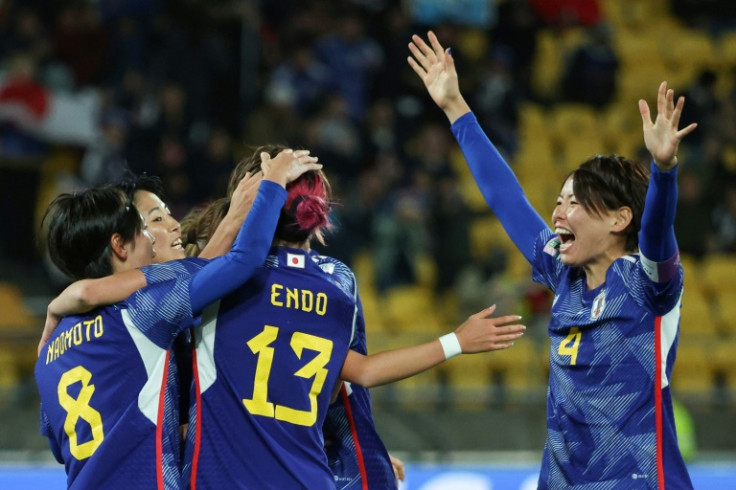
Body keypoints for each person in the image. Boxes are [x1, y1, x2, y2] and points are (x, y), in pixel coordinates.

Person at [46, 158, 527, 489]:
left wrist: (66, 305)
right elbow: (231, 267)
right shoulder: (152, 310)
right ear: (120, 244)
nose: (166, 228)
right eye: (150, 221)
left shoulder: (52, 353)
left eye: (168, 216)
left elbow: (62, 439)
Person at [408, 31, 697, 489]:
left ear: (621, 219)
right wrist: (454, 107)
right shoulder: (564, 274)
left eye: (576, 202)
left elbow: (657, 230)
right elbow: (507, 200)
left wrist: (663, 171)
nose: (558, 213)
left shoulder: (649, 285)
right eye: (559, 200)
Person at [34, 149, 321, 489]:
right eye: (145, 226)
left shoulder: (48, 356)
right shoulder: (141, 311)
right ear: (120, 246)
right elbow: (238, 262)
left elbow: (59, 446)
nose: (157, 238)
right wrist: (271, 184)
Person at [183, 146, 405, 489]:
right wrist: (360, 459)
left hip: (219, 472)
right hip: (302, 470)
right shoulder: (337, 283)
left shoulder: (209, 273)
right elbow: (345, 391)